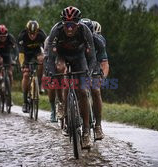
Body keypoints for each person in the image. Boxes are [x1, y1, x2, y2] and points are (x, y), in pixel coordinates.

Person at [46, 6, 97, 149]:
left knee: (81, 91)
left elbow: (92, 56)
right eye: (66, 25)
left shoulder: (84, 31)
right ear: (63, 24)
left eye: (72, 25)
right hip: (62, 56)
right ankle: (62, 105)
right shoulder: (56, 30)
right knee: (61, 72)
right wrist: (50, 72)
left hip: (79, 57)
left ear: (78, 24)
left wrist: (91, 71)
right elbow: (50, 57)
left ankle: (86, 132)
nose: (69, 29)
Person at [80, 18, 110, 140]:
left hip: (94, 66)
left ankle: (98, 125)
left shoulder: (99, 41)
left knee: (96, 90)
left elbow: (104, 63)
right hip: (79, 64)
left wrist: (102, 77)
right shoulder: (74, 39)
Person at [18, 20, 47, 113]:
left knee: (41, 61)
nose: (32, 36)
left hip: (36, 53)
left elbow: (46, 48)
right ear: (27, 31)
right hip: (25, 54)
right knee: (26, 75)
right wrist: (22, 65)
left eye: (34, 33)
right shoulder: (22, 36)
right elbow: (21, 53)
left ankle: (38, 82)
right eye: (30, 33)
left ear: (38, 31)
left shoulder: (42, 35)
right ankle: (25, 102)